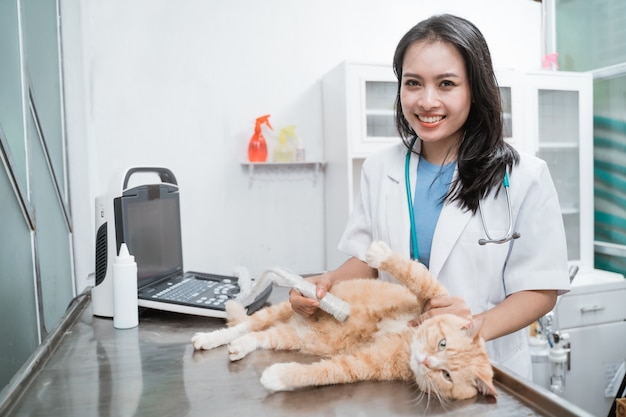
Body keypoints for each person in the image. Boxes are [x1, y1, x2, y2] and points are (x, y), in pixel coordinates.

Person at [290, 13, 571, 379]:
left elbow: (540, 290)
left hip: (483, 368)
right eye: (413, 83)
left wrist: (471, 326)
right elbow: (370, 260)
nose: (426, 100)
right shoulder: (380, 168)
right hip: (396, 360)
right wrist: (325, 282)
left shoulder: (523, 176)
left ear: (475, 88)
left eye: (446, 84)